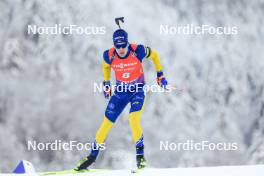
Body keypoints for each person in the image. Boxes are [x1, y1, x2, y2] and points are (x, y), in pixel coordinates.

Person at [75, 28, 168, 170]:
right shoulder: (109, 55)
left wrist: (160, 74)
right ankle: (91, 157)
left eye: (123, 46)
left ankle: (140, 158)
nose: (121, 49)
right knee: (106, 123)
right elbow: (105, 66)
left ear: (127, 43)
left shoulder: (138, 50)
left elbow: (154, 55)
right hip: (120, 92)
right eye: (117, 46)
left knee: (133, 119)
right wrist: (106, 83)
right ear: (114, 45)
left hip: (137, 91)